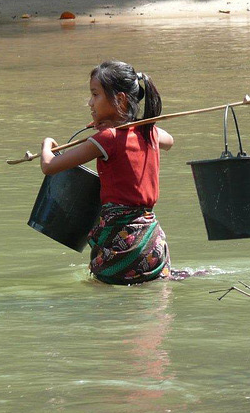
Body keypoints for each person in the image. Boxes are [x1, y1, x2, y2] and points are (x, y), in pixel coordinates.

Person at [41, 61, 174, 285]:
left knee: (106, 310)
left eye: (96, 95)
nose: (90, 103)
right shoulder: (149, 131)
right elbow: (169, 141)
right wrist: (117, 124)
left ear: (120, 99)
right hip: (152, 245)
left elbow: (49, 166)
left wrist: (47, 143)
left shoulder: (107, 139)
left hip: (121, 246)